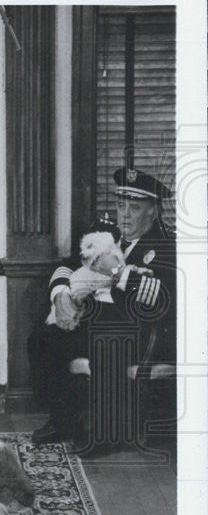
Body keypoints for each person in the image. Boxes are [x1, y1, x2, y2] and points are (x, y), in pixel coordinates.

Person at [28, 168, 175, 456]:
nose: (125, 215)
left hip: (139, 334)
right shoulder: (108, 235)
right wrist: (60, 297)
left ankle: (107, 434)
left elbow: (155, 298)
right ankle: (64, 419)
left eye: (134, 208)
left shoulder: (166, 247)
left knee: (106, 342)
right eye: (121, 206)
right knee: (42, 339)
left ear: (153, 211)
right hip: (95, 323)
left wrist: (117, 271)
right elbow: (68, 265)